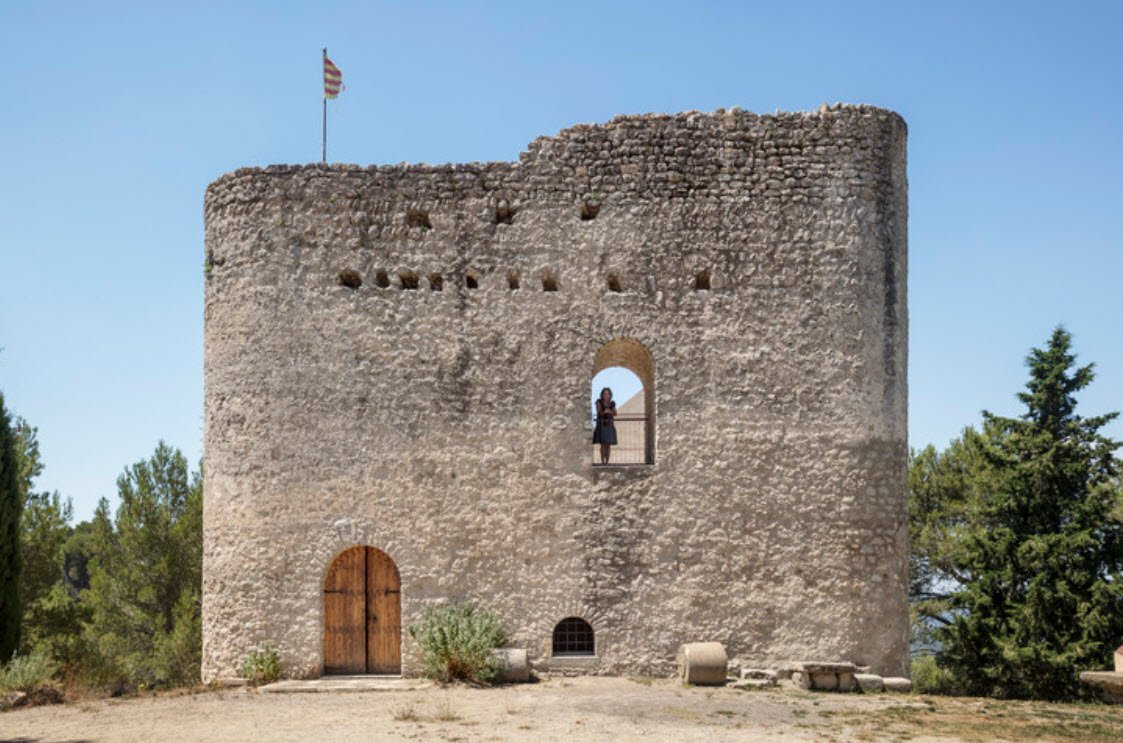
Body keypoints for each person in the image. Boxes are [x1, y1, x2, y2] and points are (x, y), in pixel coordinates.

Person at [592, 387, 617, 464]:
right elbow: (599, 412)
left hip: (609, 424)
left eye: (607, 394)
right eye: (604, 393)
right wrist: (607, 411)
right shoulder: (599, 402)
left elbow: (615, 413)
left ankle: (607, 462)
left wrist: (609, 411)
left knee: (608, 444)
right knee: (602, 444)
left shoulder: (612, 403)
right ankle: (603, 461)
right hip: (601, 424)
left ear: (610, 395)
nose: (606, 395)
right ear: (602, 394)